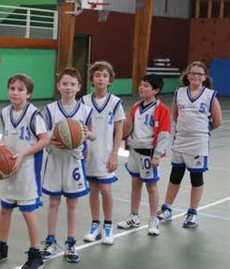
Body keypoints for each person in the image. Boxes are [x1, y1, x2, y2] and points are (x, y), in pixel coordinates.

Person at [0, 73, 49, 269]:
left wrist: (22, 155)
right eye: (12, 88)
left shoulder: (33, 114)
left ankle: (35, 253)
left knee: (28, 213)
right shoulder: (5, 113)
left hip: (27, 172)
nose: (15, 92)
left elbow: (45, 140)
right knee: (5, 210)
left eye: (20, 89)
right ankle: (2, 247)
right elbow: (3, 138)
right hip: (9, 171)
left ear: (28, 94)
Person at [40, 68, 96, 263]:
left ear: (79, 87)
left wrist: (85, 133)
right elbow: (42, 136)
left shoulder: (86, 110)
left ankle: (71, 242)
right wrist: (51, 139)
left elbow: (94, 135)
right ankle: (51, 240)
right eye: (64, 83)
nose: (68, 87)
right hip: (54, 160)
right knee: (53, 202)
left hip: (74, 162)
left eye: (72, 84)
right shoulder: (49, 109)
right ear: (58, 86)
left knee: (72, 203)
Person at [157, 61, 222, 228]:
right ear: (187, 75)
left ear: (204, 77)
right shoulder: (179, 93)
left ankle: (192, 212)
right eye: (193, 73)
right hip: (181, 141)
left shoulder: (210, 95)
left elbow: (217, 122)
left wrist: (201, 131)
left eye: (200, 74)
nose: (196, 76)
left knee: (196, 178)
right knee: (175, 176)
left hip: (198, 143)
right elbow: (176, 116)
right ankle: (167, 208)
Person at [117, 74, 171, 236]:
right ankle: (134, 216)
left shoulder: (161, 109)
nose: (141, 88)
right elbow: (128, 128)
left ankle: (154, 219)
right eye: (141, 85)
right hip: (134, 152)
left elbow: (164, 133)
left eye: (146, 86)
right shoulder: (135, 107)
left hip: (149, 154)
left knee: (151, 187)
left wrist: (157, 155)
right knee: (135, 184)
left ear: (156, 90)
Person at [80, 62, 125, 245]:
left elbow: (119, 131)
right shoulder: (83, 101)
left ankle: (108, 225)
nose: (101, 78)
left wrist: (115, 153)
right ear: (92, 79)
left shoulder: (115, 102)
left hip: (106, 153)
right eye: (97, 75)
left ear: (109, 80)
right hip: (89, 154)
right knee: (93, 190)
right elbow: (79, 128)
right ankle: (95, 224)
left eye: (104, 76)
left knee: (106, 190)